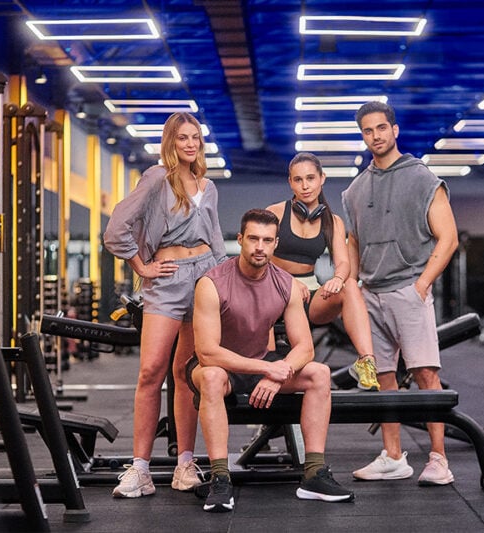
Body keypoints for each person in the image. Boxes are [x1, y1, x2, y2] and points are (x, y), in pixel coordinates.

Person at [188, 208, 354, 512]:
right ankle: (220, 478)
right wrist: (268, 368)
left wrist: (279, 371)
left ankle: (314, 473)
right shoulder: (212, 284)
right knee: (211, 377)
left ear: (276, 244)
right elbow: (207, 352)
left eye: (267, 240)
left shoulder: (286, 284)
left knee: (318, 373)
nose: (259, 247)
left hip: (260, 360)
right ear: (240, 240)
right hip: (218, 367)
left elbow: (305, 347)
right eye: (253, 239)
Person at [103, 112, 227, 498]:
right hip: (168, 278)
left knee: (185, 374)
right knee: (150, 372)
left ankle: (185, 464)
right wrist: (141, 265)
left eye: (195, 138)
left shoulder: (208, 185)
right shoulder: (157, 178)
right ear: (170, 143)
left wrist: (224, 285)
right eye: (182, 138)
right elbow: (116, 227)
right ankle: (140, 469)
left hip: (205, 277)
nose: (190, 144)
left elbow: (218, 242)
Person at [341, 101, 459, 486]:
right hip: (370, 292)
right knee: (382, 378)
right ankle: (393, 456)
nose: (374, 136)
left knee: (426, 374)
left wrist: (422, 284)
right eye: (367, 130)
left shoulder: (423, 178)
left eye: (380, 128)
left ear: (395, 130)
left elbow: (449, 237)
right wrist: (353, 287)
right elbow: (353, 241)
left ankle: (439, 459)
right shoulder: (355, 189)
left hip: (408, 288)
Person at [267, 152, 380, 391]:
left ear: (322, 178)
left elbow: (343, 263)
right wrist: (286, 281)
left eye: (310, 178)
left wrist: (338, 279)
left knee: (349, 285)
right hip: (275, 292)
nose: (305, 185)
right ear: (290, 182)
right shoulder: (275, 214)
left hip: (310, 297)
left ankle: (366, 361)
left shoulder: (332, 221)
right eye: (298, 180)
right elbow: (259, 259)